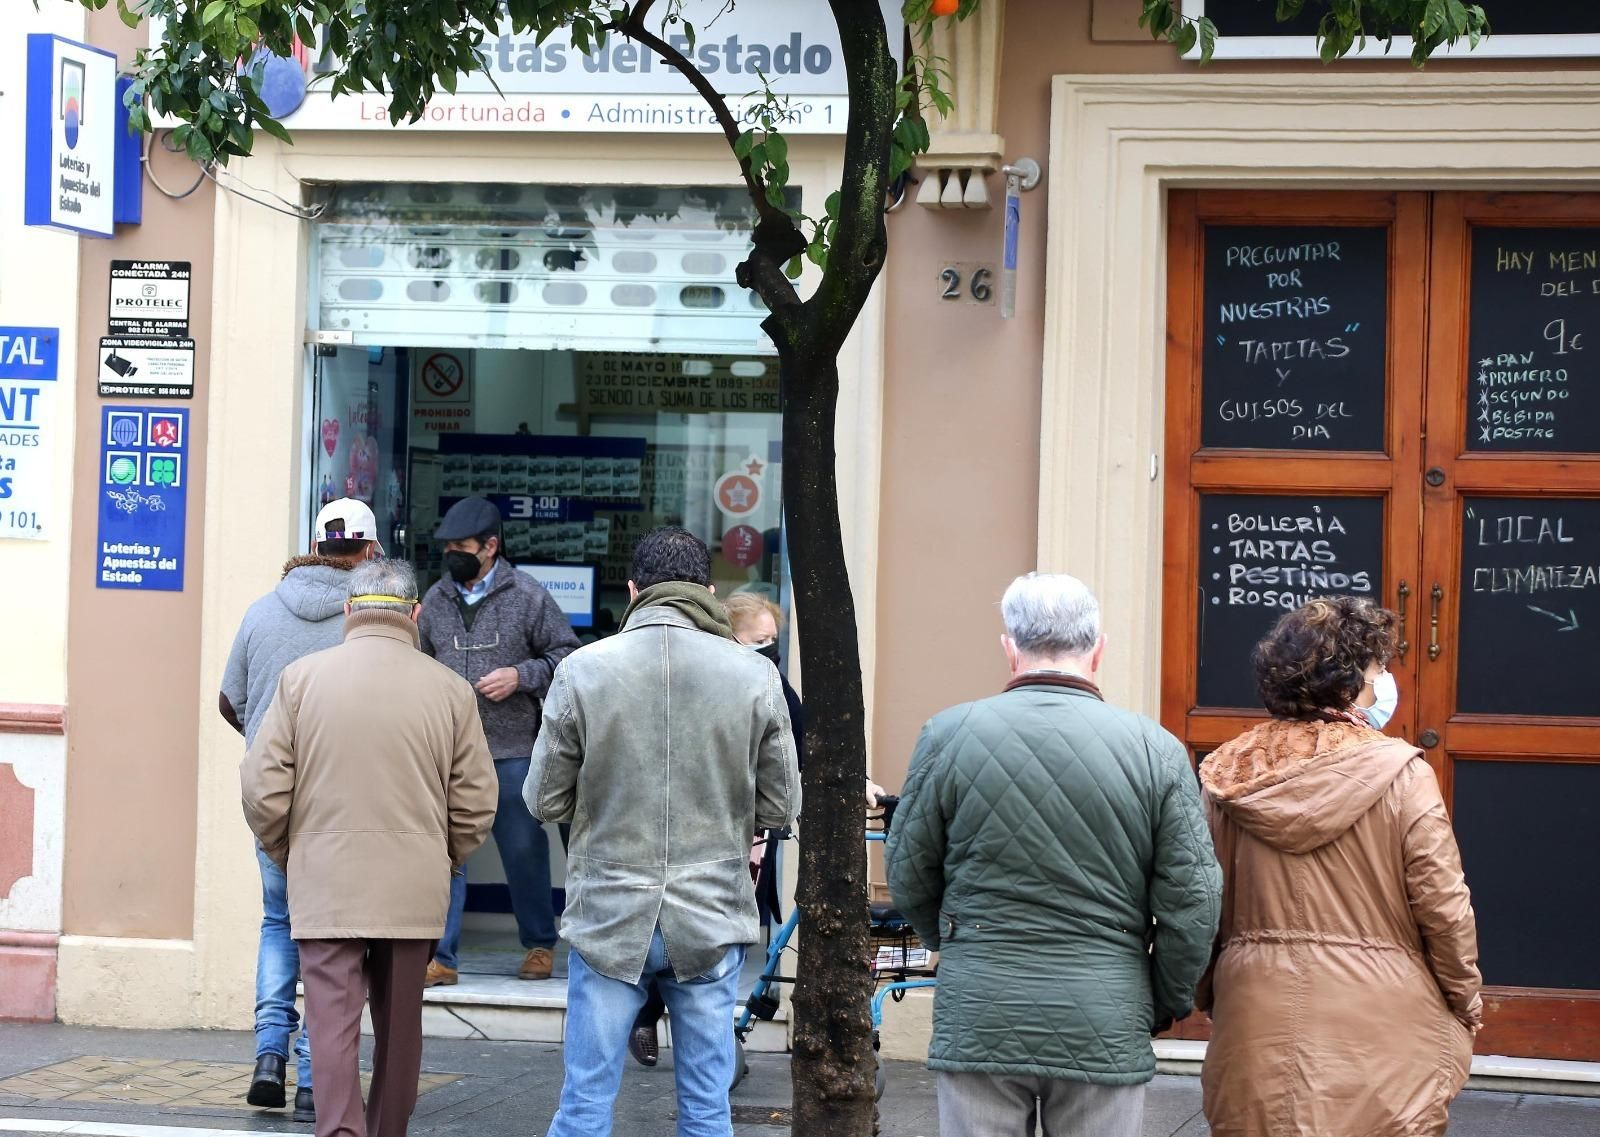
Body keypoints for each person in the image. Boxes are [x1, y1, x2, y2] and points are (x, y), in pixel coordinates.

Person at [887, 572, 1221, 1137]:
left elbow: (908, 872)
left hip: (982, 1004)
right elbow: (1194, 900)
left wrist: (957, 945)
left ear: (1009, 648)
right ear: (1098, 650)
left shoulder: (948, 734)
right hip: (1104, 1006)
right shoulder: (1156, 749)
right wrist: (1164, 997)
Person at [526, 526, 800, 1137]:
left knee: (583, 1106)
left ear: (633, 590)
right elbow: (782, 805)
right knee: (707, 1109)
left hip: (608, 911)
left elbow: (543, 798)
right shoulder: (754, 675)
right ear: (709, 591)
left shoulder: (582, 670)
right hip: (711, 910)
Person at [1197, 596, 1481, 1137]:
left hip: (1256, 1011)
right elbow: (1443, 905)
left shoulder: (1228, 777)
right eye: (1378, 668)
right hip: (1382, 1018)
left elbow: (1201, 901)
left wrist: (1209, 989)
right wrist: (1463, 998)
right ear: (1351, 681)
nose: (1384, 681)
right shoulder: (1404, 776)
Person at [241, 559, 496, 1137]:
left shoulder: (301, 680)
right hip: (412, 887)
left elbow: (262, 787)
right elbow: (477, 801)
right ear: (416, 613)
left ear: (348, 610)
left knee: (330, 1025)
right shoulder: (451, 690)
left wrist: (290, 852)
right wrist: (443, 857)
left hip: (325, 882)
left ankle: (339, 1130)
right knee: (401, 1029)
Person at [220, 498, 383, 1121]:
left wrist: (264, 741)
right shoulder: (369, 623)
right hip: (343, 803)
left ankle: (269, 1056)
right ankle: (316, 1079)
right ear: (369, 551)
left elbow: (229, 699)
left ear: (315, 546)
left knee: (277, 922)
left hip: (275, 803)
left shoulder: (262, 611)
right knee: (335, 940)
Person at [625, 590, 803, 1068]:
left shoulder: (769, 682)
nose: (769, 648)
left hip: (747, 830)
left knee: (718, 933)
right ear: (729, 636)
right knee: (678, 928)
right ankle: (651, 1016)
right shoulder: (717, 679)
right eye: (758, 639)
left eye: (772, 638)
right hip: (702, 827)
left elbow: (802, 744)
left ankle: (705, 1036)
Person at [418, 495, 580, 986]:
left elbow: (567, 656)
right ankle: (441, 957)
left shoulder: (528, 595)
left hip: (514, 750)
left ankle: (539, 944)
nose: (452, 555)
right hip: (449, 750)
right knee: (445, 853)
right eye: (447, 548)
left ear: (490, 546)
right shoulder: (434, 601)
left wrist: (520, 675)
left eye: (461, 547)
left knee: (523, 850)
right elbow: (416, 661)